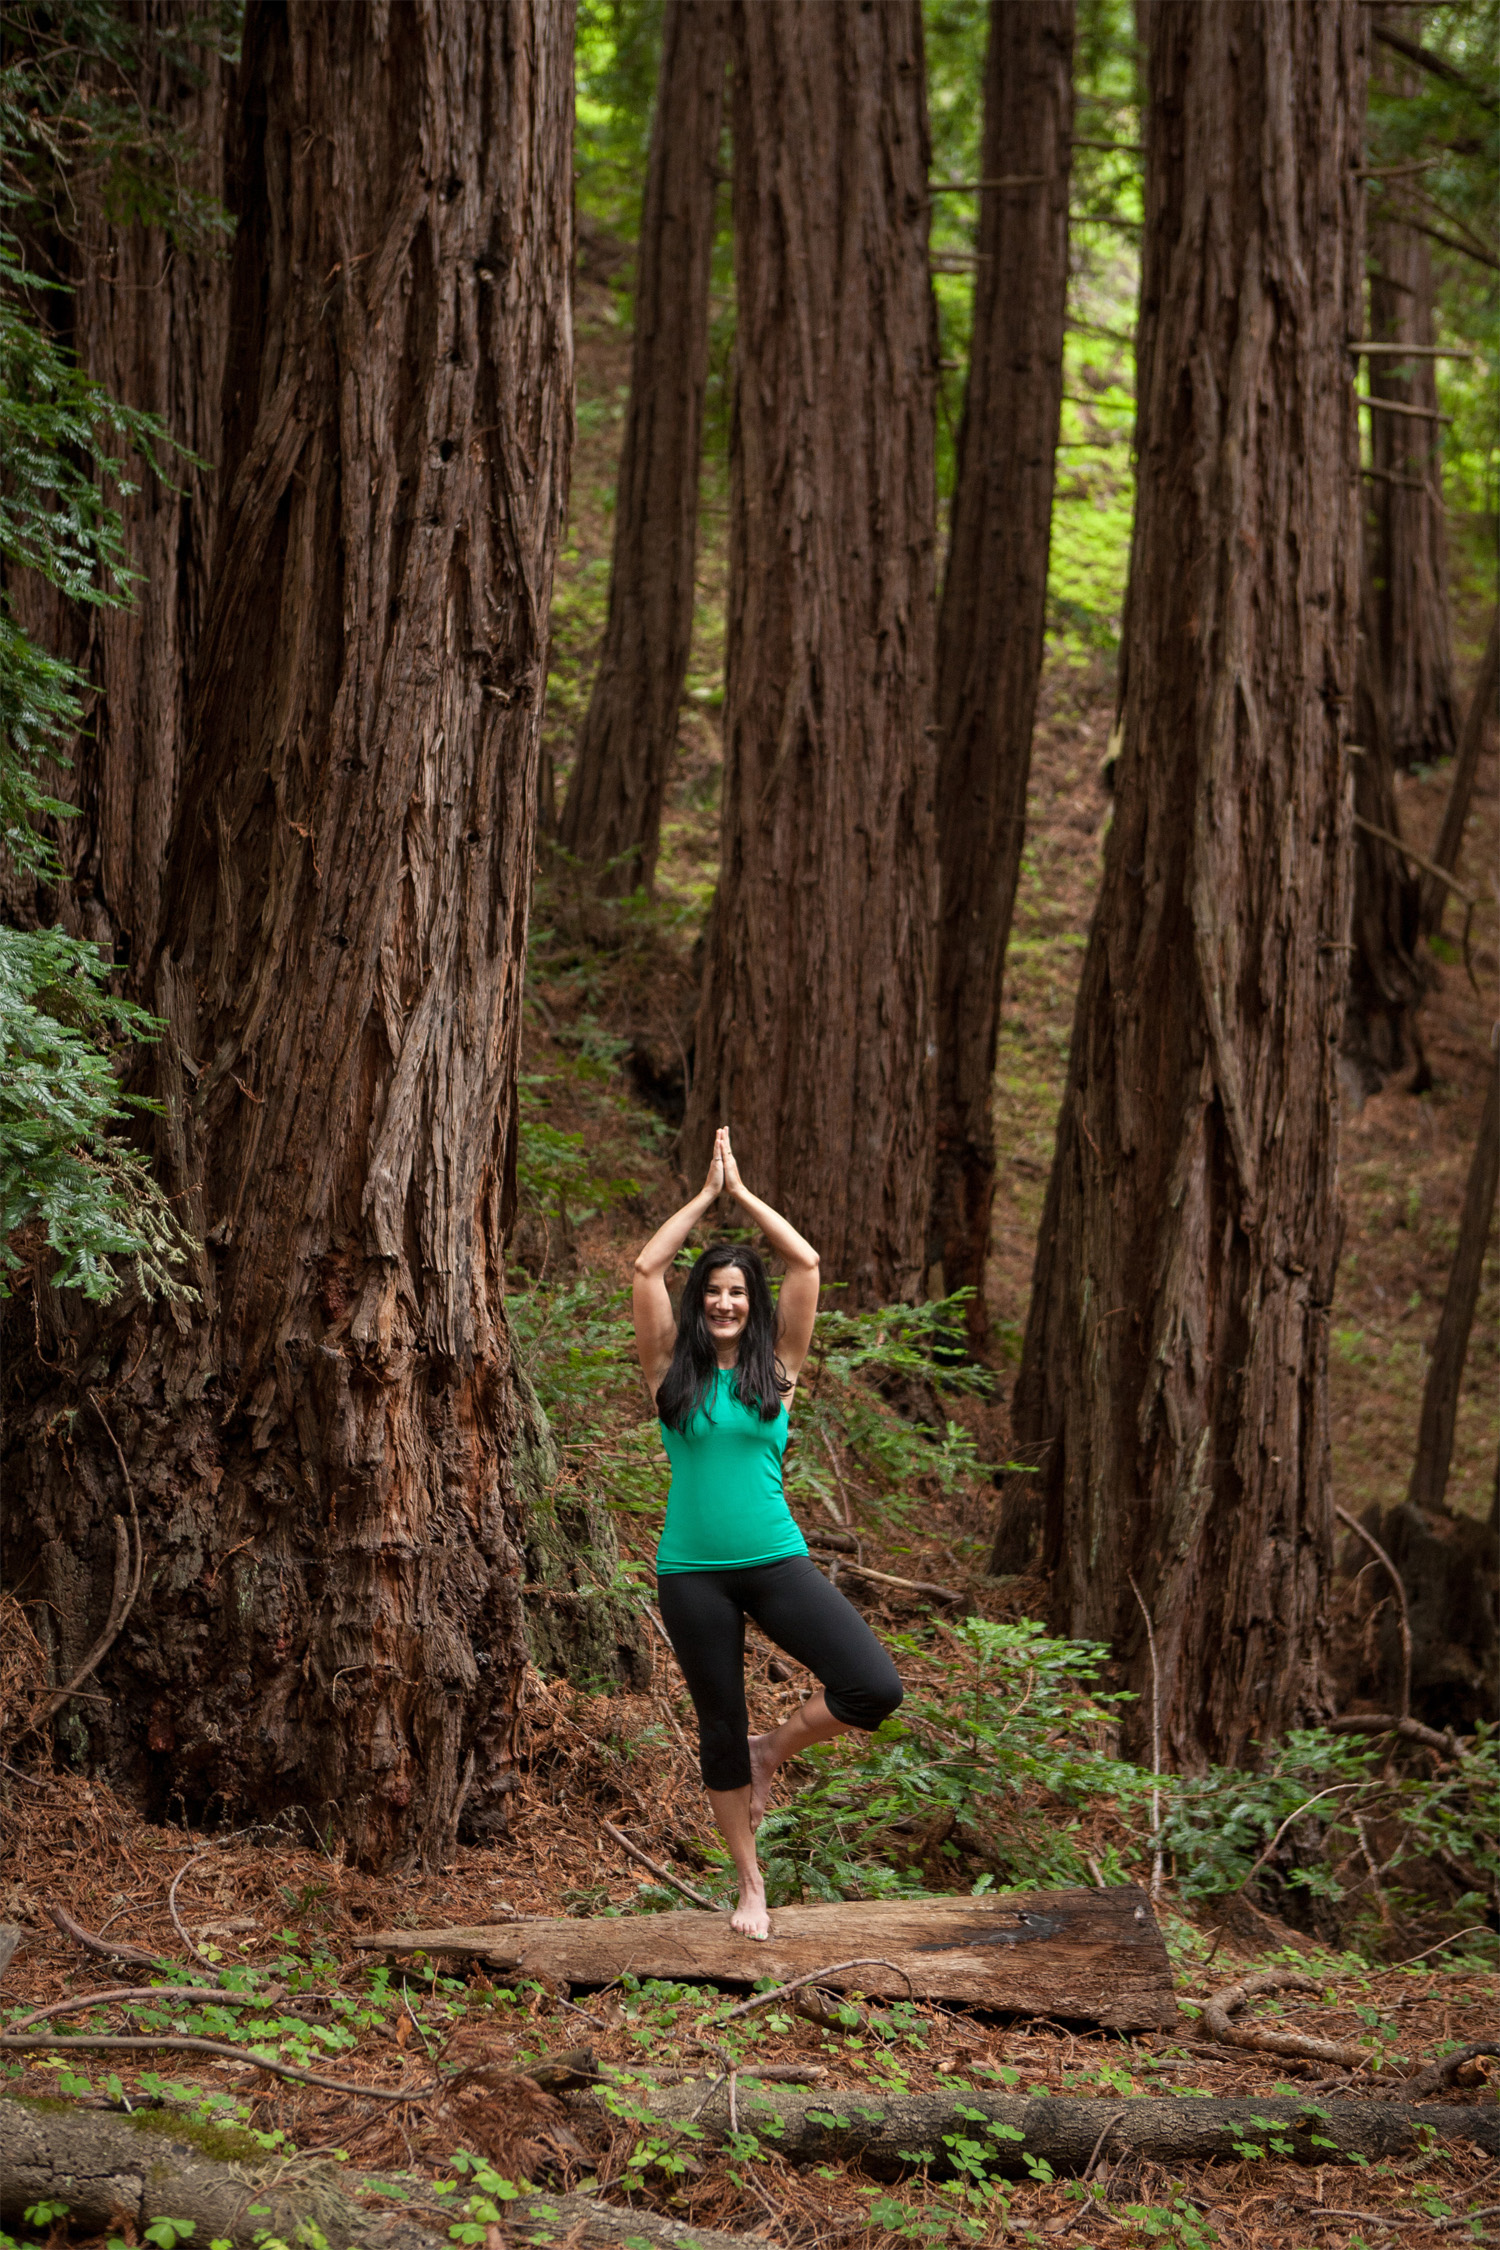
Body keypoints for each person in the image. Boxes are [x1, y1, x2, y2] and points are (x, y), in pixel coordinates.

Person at [632, 1126, 904, 1939]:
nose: (723, 1301)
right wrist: (703, 1199)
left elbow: (806, 1265)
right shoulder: (667, 1372)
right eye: (712, 1289)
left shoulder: (777, 1370)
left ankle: (771, 1750)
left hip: (777, 1562)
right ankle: (750, 1885)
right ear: (698, 1301)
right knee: (716, 1723)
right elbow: (647, 1268)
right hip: (691, 1575)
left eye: (736, 1291)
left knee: (872, 1688)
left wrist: (743, 1195)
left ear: (751, 1305)